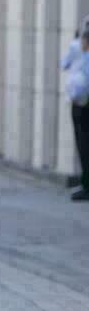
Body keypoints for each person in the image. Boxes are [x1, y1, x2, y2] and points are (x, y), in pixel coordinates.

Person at [63, 16, 89, 202]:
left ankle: (87, 185)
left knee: (84, 145)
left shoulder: (77, 50)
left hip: (82, 102)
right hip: (81, 101)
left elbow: (64, 64)